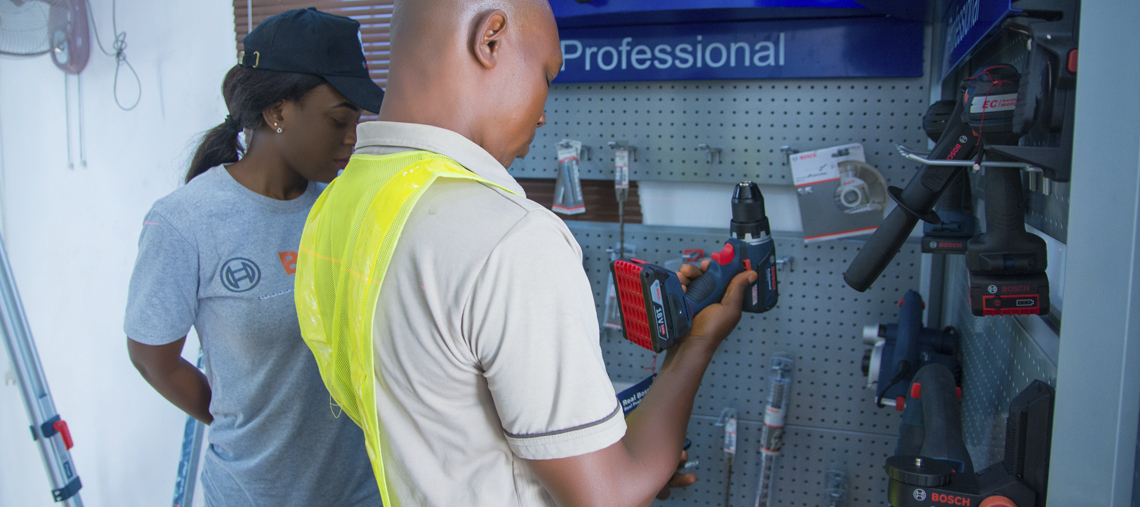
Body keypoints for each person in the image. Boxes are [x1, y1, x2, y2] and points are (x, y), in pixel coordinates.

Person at [294, 0, 757, 505]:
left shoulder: (339, 208)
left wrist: (590, 447)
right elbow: (609, 497)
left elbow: (439, 415)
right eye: (546, 75)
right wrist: (695, 346)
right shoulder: (512, 238)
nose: (542, 112)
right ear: (490, 38)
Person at [123, 8, 385, 507]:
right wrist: (240, 425)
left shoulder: (342, 208)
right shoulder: (186, 223)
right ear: (278, 112)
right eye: (338, 119)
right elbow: (151, 358)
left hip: (360, 491)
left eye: (357, 120)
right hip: (253, 494)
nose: (352, 137)